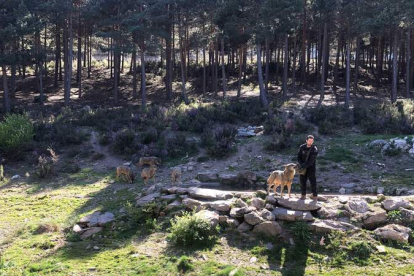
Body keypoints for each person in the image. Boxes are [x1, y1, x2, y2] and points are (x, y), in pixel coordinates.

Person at [297, 135, 318, 201]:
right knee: (302, 181)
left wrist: (304, 165)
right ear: (306, 140)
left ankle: (314, 196)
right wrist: (301, 164)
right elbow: (298, 157)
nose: (310, 142)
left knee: (313, 181)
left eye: (312, 141)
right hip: (302, 167)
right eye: (309, 141)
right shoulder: (302, 147)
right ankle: (303, 195)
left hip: (311, 167)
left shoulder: (314, 149)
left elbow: (311, 160)